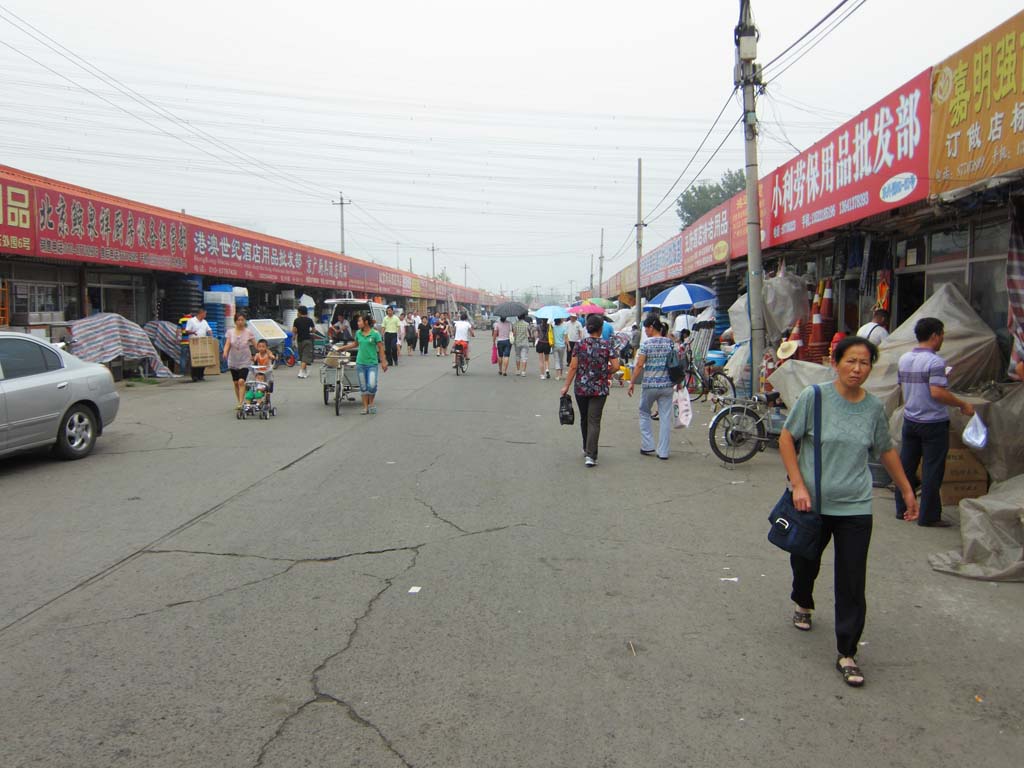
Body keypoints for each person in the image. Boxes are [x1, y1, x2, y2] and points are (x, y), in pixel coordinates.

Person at [780, 336, 919, 688]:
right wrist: (798, 484)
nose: (857, 370)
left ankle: (847, 651)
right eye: (851, 362)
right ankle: (803, 599)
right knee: (805, 561)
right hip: (812, 503)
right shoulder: (815, 398)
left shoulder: (873, 408)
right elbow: (786, 437)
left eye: (864, 363)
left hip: (856, 506)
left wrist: (906, 489)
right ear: (836, 362)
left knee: (852, 579)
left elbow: (885, 449)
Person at [895, 317, 975, 527]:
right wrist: (962, 404)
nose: (942, 340)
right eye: (941, 335)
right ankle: (928, 516)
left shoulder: (904, 358)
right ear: (934, 336)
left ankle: (901, 508)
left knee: (906, 465)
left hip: (910, 419)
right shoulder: (935, 362)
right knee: (932, 469)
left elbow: (903, 387)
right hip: (932, 422)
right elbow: (937, 392)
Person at [561, 314, 619, 467]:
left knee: (584, 418)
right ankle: (591, 455)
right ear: (600, 329)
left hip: (581, 388)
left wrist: (566, 385)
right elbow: (616, 366)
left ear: (587, 328)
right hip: (599, 389)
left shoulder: (580, 345)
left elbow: (573, 366)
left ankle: (586, 447)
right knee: (594, 420)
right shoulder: (607, 345)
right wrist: (606, 373)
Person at [629, 316, 677, 459]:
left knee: (644, 413)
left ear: (651, 327)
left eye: (646, 329)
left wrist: (632, 382)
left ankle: (647, 445)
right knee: (665, 418)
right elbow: (675, 362)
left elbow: (639, 365)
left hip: (649, 385)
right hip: (667, 385)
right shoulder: (670, 343)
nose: (645, 331)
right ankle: (663, 452)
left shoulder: (646, 344)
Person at [339, 313, 388, 414]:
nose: (358, 323)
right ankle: (365, 407)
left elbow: (381, 348)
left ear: (365, 322)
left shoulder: (375, 334)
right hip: (360, 363)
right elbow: (355, 344)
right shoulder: (358, 333)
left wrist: (383, 362)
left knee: (372, 385)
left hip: (372, 364)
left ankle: (371, 403)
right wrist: (343, 348)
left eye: (359, 321)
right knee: (363, 386)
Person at [223, 312, 256, 410]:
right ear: (235, 321)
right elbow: (228, 344)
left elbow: (256, 345)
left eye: (242, 320)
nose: (240, 322)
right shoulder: (230, 332)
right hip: (233, 360)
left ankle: (241, 403)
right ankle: (239, 400)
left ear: (245, 321)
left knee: (242, 381)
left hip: (245, 360)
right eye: (238, 320)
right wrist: (225, 352)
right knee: (236, 382)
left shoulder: (248, 332)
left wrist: (264, 352)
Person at [184, 308, 212, 382]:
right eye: (205, 314)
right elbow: (187, 331)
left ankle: (201, 375)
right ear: (201, 313)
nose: (205, 315)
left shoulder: (204, 322)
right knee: (195, 359)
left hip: (203, 342)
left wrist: (210, 335)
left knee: (203, 359)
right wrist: (193, 332)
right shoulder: (191, 321)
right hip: (194, 343)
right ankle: (194, 376)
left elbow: (209, 329)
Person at [292, 305, 316, 379]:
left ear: (300, 312)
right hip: (307, 340)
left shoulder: (296, 320)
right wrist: (309, 331)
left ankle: (302, 371)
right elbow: (314, 330)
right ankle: (303, 371)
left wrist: (294, 337)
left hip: (299, 340)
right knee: (305, 357)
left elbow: (294, 330)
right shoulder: (309, 320)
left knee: (302, 356)